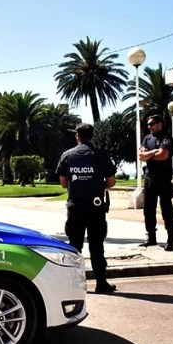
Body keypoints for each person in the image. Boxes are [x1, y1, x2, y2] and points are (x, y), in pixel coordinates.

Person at [56, 123, 116, 294]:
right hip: (95, 207)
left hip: (75, 207)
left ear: (78, 136)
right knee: (96, 246)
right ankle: (101, 283)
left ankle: (72, 285)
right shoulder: (100, 155)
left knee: (74, 246)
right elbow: (111, 181)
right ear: (92, 136)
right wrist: (97, 185)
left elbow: (63, 183)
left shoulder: (67, 155)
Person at [138, 114, 173, 251]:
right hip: (150, 179)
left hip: (164, 179)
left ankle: (171, 240)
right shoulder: (147, 138)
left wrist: (149, 154)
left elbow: (163, 155)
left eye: (152, 124)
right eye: (148, 124)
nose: (149, 126)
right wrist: (154, 151)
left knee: (166, 210)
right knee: (148, 210)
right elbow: (140, 156)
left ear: (160, 124)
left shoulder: (167, 138)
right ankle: (151, 238)